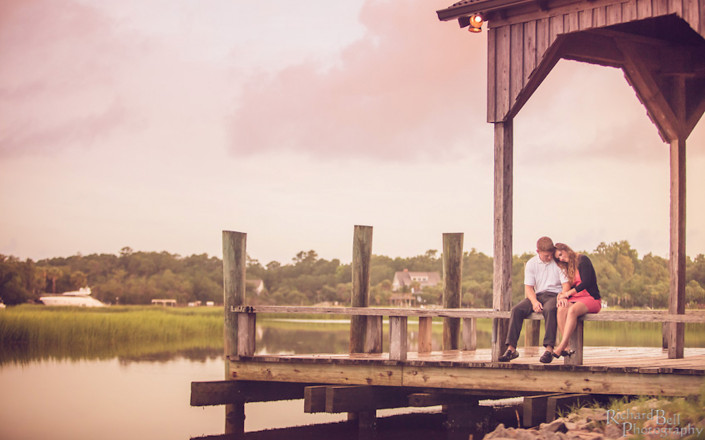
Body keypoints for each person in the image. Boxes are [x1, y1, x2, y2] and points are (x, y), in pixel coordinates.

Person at [498, 236, 570, 363]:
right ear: (538, 252)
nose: (549, 258)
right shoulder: (531, 264)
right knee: (516, 310)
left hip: (555, 295)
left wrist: (562, 296)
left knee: (550, 309)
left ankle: (549, 349)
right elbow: (529, 288)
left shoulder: (558, 262)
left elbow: (566, 285)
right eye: (546, 255)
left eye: (550, 254)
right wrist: (534, 302)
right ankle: (511, 349)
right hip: (538, 295)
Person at [551, 243, 602, 359]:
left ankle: (561, 345)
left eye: (561, 254)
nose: (561, 258)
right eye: (559, 258)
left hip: (591, 298)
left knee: (572, 310)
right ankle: (567, 347)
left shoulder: (583, 260)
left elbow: (586, 282)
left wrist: (568, 293)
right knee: (561, 307)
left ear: (565, 249)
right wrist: (562, 295)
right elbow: (566, 286)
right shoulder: (568, 267)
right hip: (576, 298)